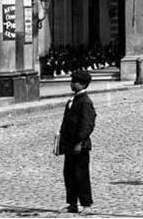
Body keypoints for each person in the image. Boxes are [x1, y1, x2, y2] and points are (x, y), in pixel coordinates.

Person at [58, 70, 96, 215]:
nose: (71, 83)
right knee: (69, 174)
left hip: (80, 146)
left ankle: (86, 204)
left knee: (81, 175)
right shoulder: (73, 100)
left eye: (74, 81)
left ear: (82, 84)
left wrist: (79, 142)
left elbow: (87, 125)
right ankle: (72, 203)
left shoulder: (85, 102)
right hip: (69, 144)